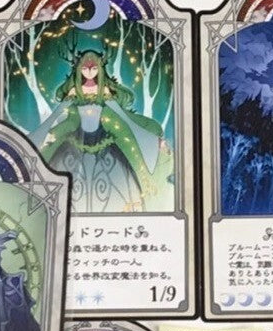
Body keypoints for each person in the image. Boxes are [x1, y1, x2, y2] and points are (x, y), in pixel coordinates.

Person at [28, 47, 168, 213]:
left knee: (125, 138)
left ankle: (144, 178)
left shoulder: (105, 89)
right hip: (76, 124)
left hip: (105, 125)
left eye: (94, 68)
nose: (89, 72)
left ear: (99, 69)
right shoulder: (74, 89)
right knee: (54, 138)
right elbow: (63, 112)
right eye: (85, 68)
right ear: (79, 69)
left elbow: (120, 115)